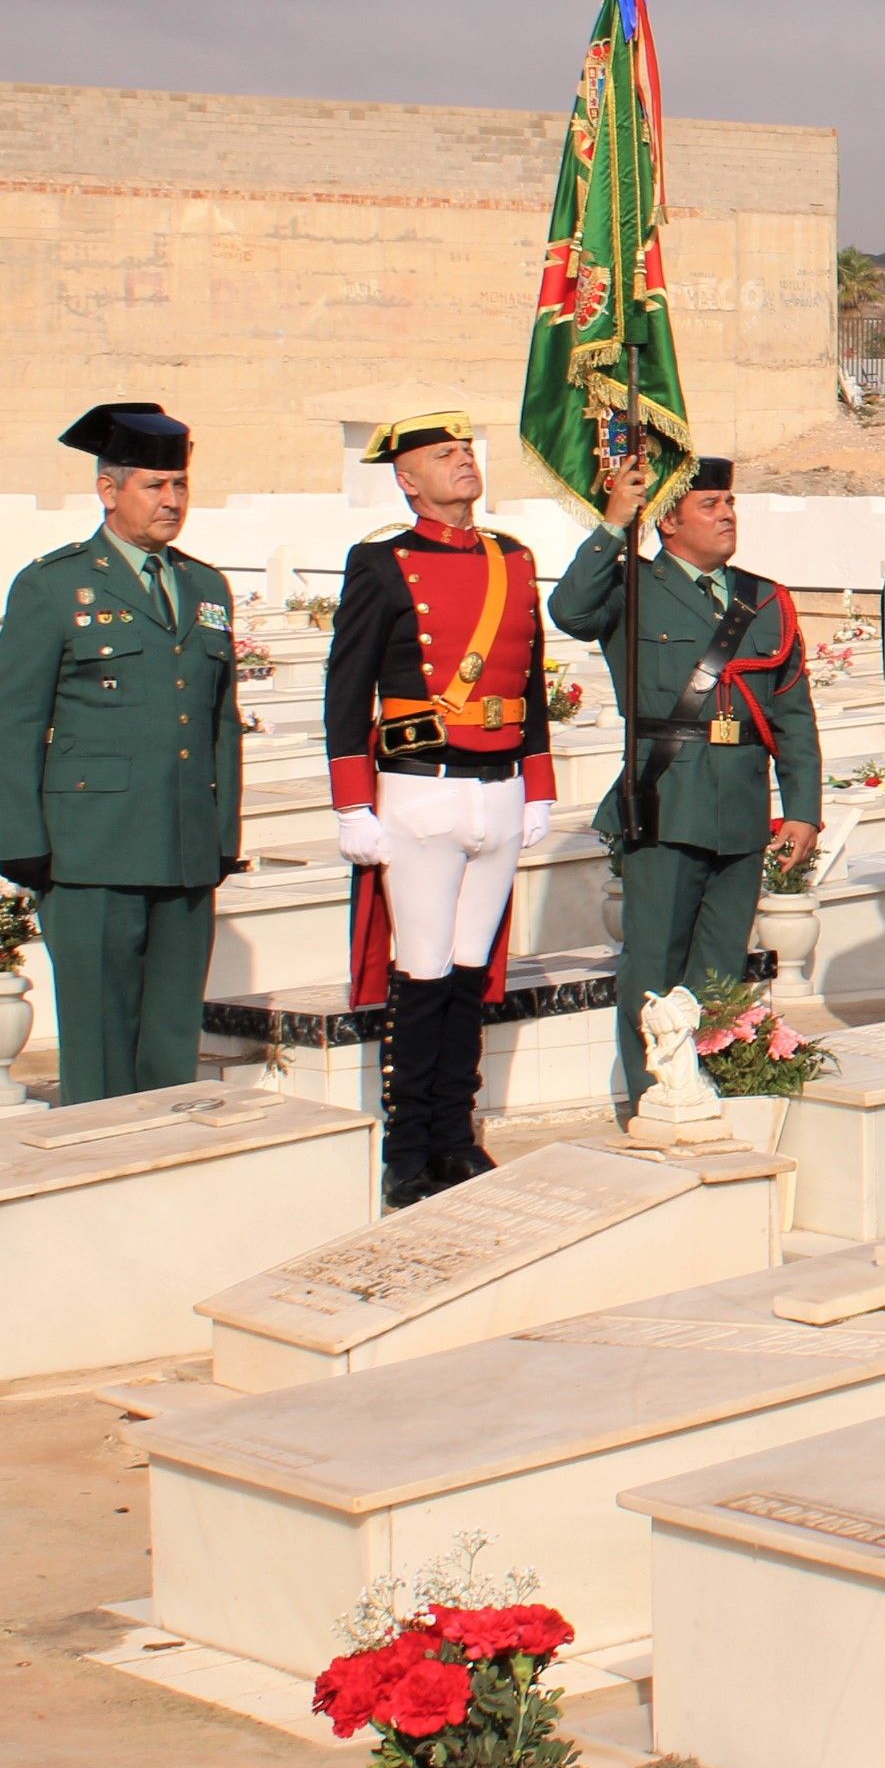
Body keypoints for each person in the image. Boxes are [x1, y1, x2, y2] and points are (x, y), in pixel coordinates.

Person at [0, 402, 244, 1101]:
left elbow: (221, 720)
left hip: (185, 842)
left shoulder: (203, 584)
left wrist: (222, 834)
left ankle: (160, 1166)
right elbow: (12, 719)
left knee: (169, 1038)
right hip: (90, 849)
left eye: (180, 485)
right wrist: (21, 837)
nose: (172, 501)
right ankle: (95, 1168)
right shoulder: (53, 585)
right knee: (99, 1043)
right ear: (109, 489)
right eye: (155, 486)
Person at [328, 412, 558, 1205]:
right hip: (418, 787)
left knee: (470, 974)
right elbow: (346, 686)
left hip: (497, 788)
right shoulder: (383, 562)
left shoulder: (513, 558)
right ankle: (409, 1144)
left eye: (465, 449)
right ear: (406, 478)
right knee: (421, 973)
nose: (461, 460)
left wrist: (540, 781)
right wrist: (353, 803)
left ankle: (457, 1134)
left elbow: (528, 679)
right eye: (440, 454)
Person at [552, 453, 821, 1110]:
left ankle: (717, 1083)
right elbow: (568, 609)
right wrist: (616, 523)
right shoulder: (632, 589)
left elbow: (789, 710)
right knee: (653, 964)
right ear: (668, 521)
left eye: (730, 503)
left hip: (740, 802)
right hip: (667, 798)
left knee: (723, 965)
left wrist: (803, 809)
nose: (726, 514)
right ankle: (655, 1094)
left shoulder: (763, 598)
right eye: (709, 504)